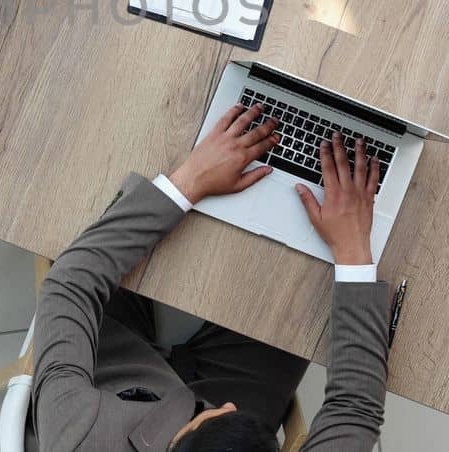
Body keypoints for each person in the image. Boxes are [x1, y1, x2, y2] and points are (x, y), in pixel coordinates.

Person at [29, 103, 389, 452]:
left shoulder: (77, 437)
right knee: (298, 296)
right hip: (214, 402)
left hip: (115, 379)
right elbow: (354, 410)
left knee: (108, 185)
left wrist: (189, 181)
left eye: (220, 415)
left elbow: (71, 283)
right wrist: (354, 252)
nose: (230, 406)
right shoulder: (230, 408)